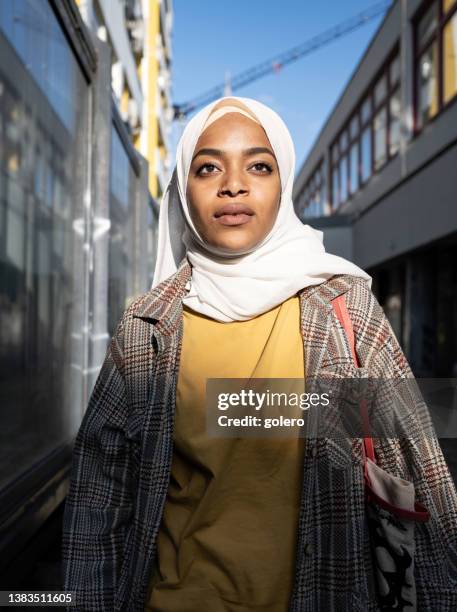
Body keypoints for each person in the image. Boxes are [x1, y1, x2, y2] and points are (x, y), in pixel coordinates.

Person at [62, 97, 457, 611]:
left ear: (283, 183)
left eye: (258, 165)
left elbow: (417, 460)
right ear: (184, 191)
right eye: (208, 168)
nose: (234, 184)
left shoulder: (341, 306)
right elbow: (100, 496)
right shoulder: (147, 327)